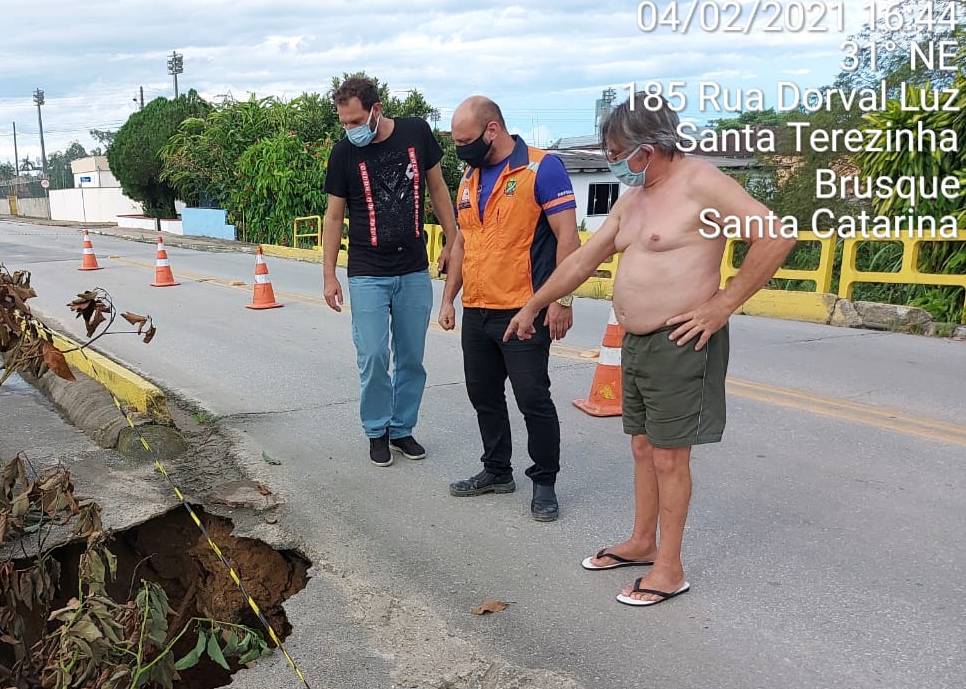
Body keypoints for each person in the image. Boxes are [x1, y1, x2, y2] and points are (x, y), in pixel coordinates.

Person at [503, 91, 796, 605]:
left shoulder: (700, 183)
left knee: (669, 457)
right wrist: (533, 304)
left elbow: (774, 236)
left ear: (650, 147)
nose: (614, 161)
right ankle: (642, 542)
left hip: (680, 341)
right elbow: (582, 260)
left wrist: (721, 306)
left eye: (617, 151)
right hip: (636, 343)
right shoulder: (634, 198)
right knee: (642, 447)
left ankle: (669, 566)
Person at [438, 96, 579, 522]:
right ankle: (496, 470)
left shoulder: (541, 167)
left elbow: (568, 239)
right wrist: (448, 298)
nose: (460, 148)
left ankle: (544, 482)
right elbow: (463, 242)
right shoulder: (469, 177)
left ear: (492, 130)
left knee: (533, 398)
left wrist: (561, 300)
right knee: (483, 396)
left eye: (465, 140)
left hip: (524, 311)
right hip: (478, 308)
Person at [323, 75, 457, 467]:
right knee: (374, 355)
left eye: (355, 121)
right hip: (366, 271)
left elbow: (438, 188)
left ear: (376, 110)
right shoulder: (343, 154)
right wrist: (329, 274)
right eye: (343, 123)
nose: (349, 130)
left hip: (413, 269)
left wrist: (452, 239)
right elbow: (334, 216)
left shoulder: (415, 132)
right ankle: (376, 429)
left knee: (412, 357)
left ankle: (402, 429)